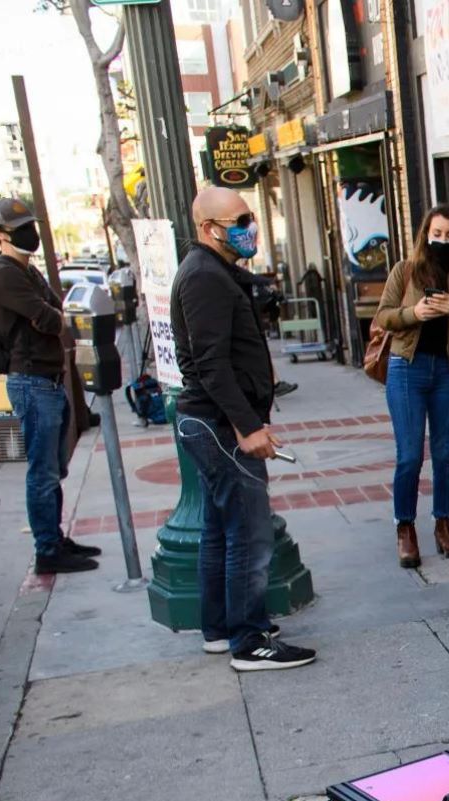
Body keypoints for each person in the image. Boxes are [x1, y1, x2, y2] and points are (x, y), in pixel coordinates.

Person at [173, 186, 316, 672]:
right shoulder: (205, 277)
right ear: (208, 228)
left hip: (212, 422)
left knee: (221, 529)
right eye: (238, 220)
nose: (248, 226)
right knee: (249, 534)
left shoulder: (215, 272)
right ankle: (249, 640)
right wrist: (247, 426)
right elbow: (212, 365)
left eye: (249, 216)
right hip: (218, 425)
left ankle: (222, 628)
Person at [0, 197, 101, 574]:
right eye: (19, 230)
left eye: (30, 226)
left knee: (53, 468)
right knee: (43, 470)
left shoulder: (26, 271)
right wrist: (51, 316)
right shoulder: (3, 275)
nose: (29, 235)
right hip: (31, 381)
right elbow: (51, 318)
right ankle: (47, 551)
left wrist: (52, 315)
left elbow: (54, 310)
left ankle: (55, 538)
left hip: (47, 380)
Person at [374, 204, 449, 568]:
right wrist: (414, 314)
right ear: (425, 234)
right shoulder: (406, 270)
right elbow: (383, 316)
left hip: (448, 371)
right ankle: (405, 529)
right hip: (407, 370)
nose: (442, 241)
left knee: (445, 455)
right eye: (437, 234)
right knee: (410, 455)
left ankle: (443, 525)